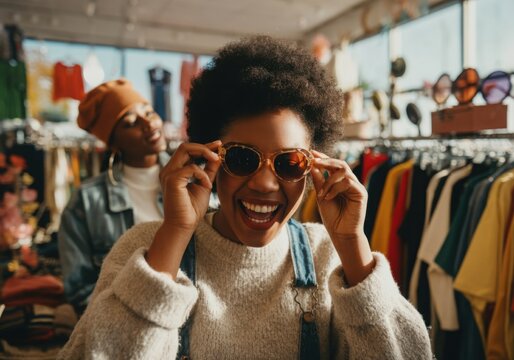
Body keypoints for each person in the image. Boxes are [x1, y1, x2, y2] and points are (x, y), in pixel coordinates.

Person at [58, 37, 433, 359]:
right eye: (241, 158)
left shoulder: (326, 259)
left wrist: (353, 245)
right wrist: (174, 234)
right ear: (209, 156)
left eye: (289, 162)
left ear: (314, 167)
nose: (266, 184)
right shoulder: (142, 250)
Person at [58, 79, 169, 315]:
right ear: (113, 142)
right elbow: (80, 289)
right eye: (130, 122)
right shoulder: (87, 202)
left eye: (149, 112)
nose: (148, 123)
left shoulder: (196, 180)